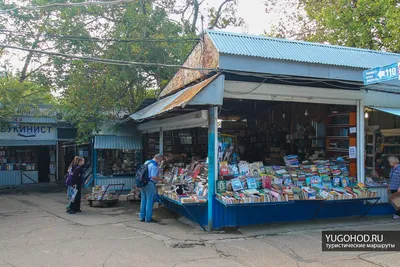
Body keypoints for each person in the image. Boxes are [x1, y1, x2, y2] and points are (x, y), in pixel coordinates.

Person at [139, 154, 167, 223]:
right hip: (150, 184)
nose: (160, 162)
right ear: (159, 159)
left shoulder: (147, 162)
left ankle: (142, 217)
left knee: (143, 200)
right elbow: (153, 177)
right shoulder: (154, 165)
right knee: (149, 201)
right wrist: (162, 179)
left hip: (142, 183)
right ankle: (148, 218)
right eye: (161, 160)